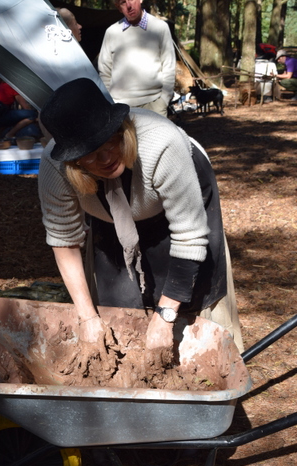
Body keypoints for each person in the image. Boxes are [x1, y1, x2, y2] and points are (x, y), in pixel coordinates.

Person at [37, 78, 243, 380]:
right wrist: (87, 317)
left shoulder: (162, 143)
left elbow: (189, 236)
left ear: (122, 129)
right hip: (110, 213)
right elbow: (64, 240)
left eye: (110, 142)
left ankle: (203, 371)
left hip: (179, 196)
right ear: (73, 162)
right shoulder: (56, 168)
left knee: (191, 297)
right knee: (117, 300)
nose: (106, 159)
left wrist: (165, 316)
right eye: (90, 155)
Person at [98, 0, 176, 117]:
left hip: (154, 103)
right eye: (123, 2)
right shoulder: (111, 32)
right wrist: (110, 102)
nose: (129, 6)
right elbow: (104, 71)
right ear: (118, 7)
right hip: (120, 106)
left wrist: (163, 101)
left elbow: (169, 66)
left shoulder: (160, 27)